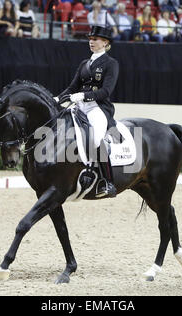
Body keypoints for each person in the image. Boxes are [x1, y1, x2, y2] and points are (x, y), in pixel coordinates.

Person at [54, 25, 119, 198]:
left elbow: (106, 91)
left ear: (105, 42)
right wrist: (56, 99)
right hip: (79, 105)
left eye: (95, 39)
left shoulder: (111, 64)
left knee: (96, 138)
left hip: (97, 108)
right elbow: (72, 87)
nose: (91, 42)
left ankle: (108, 182)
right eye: (90, 39)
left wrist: (83, 95)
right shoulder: (85, 63)